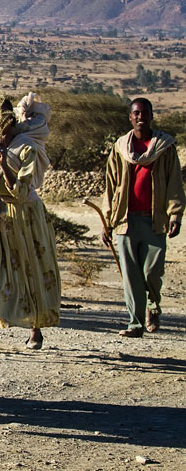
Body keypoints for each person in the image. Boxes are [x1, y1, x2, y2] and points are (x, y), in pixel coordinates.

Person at [0, 97, 60, 352]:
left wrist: (3, 163)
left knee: (30, 269)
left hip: (24, 215)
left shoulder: (26, 147)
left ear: (11, 118)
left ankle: (35, 330)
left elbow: (21, 191)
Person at [101, 98, 184, 337]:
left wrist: (175, 214)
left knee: (152, 272)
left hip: (154, 219)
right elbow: (110, 186)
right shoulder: (120, 148)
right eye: (136, 113)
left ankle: (153, 307)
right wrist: (107, 221)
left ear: (151, 115)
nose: (140, 117)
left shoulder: (165, 147)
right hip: (125, 220)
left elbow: (174, 183)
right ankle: (135, 323)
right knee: (131, 275)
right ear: (130, 117)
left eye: (145, 113)